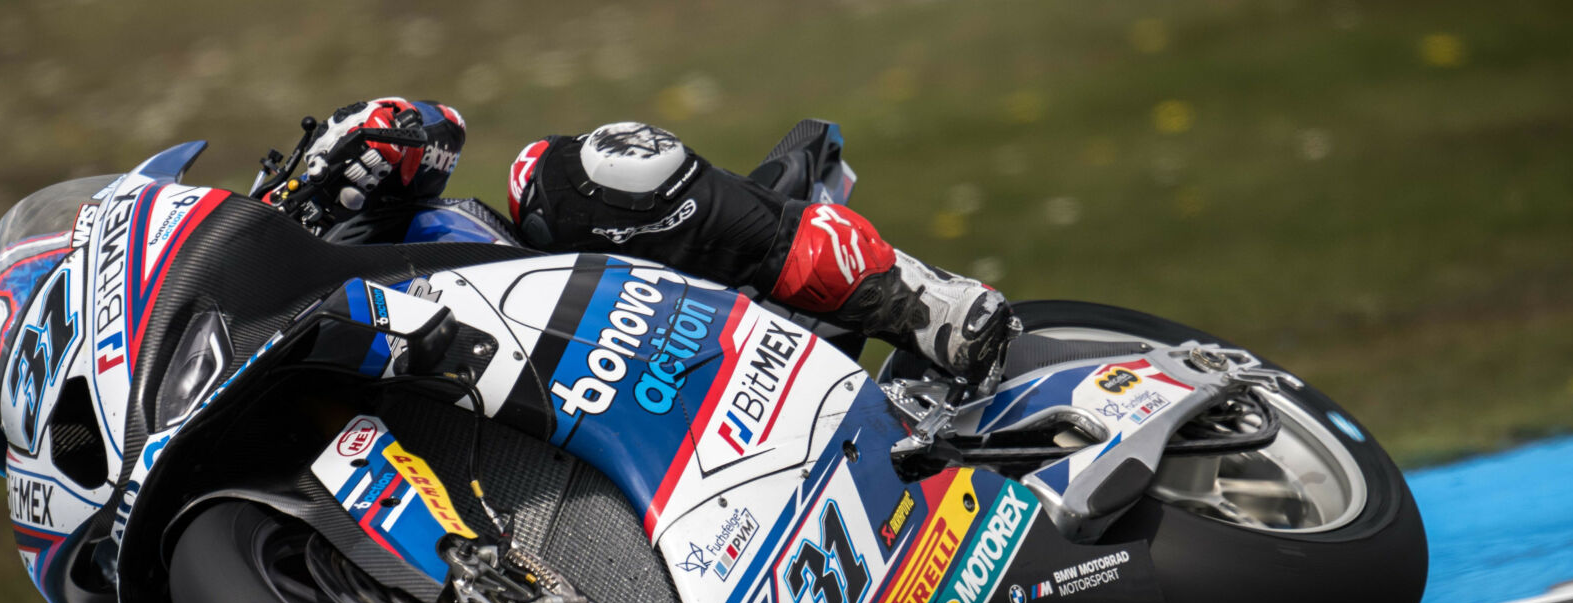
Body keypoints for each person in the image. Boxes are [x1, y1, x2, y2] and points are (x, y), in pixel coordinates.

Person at [269, 99, 1018, 387]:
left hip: (567, 311)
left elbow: (427, 122)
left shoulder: (303, 233)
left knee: (574, 172)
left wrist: (321, 179)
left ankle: (924, 305)